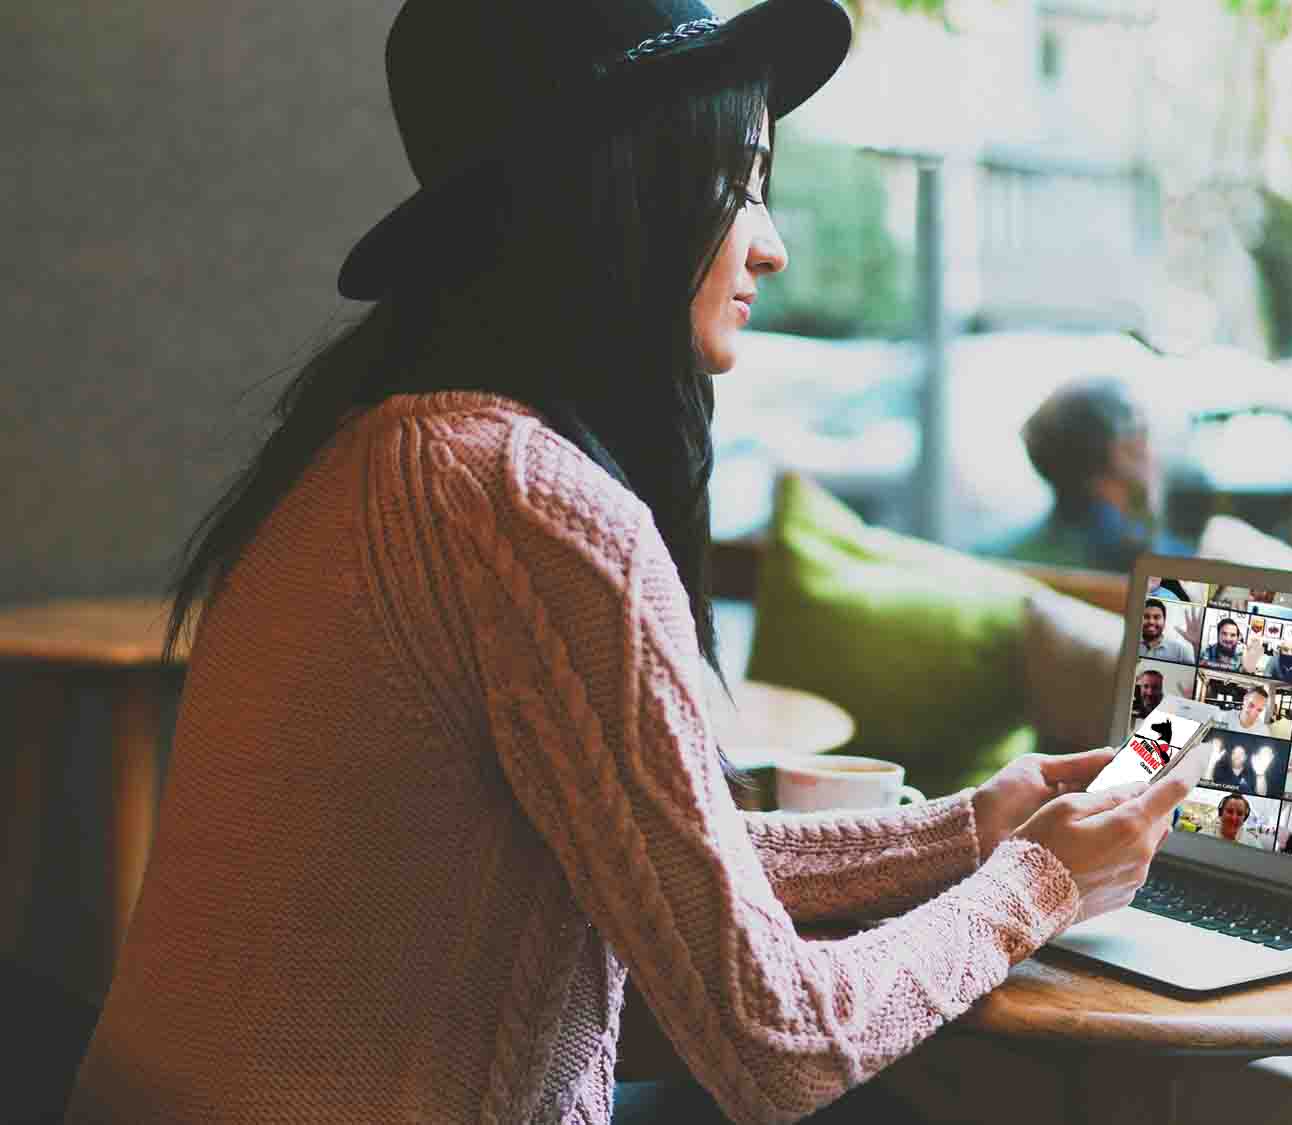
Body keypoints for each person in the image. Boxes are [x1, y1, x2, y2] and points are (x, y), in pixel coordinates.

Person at [72, 4, 1194, 1123]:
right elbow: (781, 1042)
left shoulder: (366, 452)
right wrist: (1041, 885)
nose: (772, 242)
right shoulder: (529, 503)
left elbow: (661, 859)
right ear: (620, 190)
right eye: (742, 180)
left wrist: (967, 831)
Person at [988, 378, 1181, 572]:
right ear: (1123, 454)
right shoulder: (1173, 576)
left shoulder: (995, 560)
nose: (1154, 456)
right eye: (1143, 436)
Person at [1136, 598, 1195, 663]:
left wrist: (1196, 644)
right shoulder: (1129, 645)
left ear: (1164, 622)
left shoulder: (1179, 650)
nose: (1151, 622)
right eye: (1146, 617)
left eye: (1156, 617)